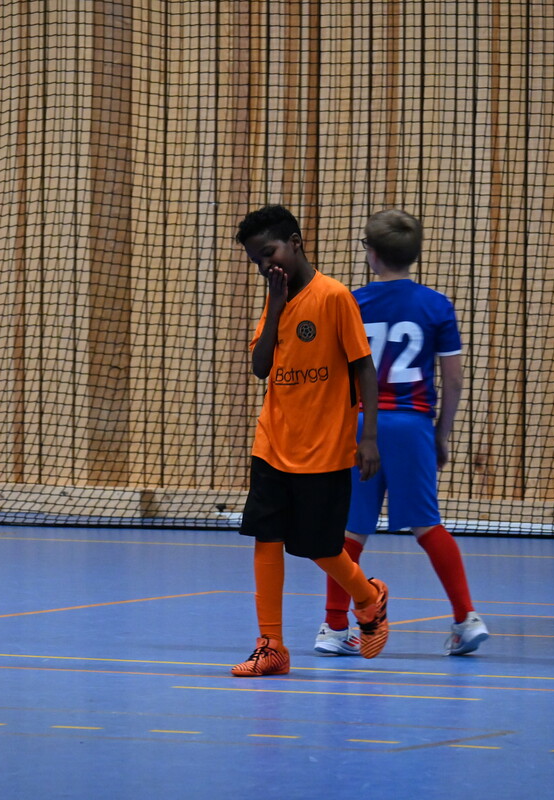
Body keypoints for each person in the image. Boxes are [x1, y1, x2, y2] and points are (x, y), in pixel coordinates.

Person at [313, 209, 489, 657]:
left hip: (361, 426)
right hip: (412, 426)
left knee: (349, 532)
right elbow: (453, 379)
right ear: (415, 254)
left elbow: (333, 374)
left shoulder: (350, 303)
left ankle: (335, 629)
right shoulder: (436, 305)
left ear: (371, 255)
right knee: (428, 525)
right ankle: (466, 619)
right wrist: (441, 434)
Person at [231, 204, 390, 677]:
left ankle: (368, 597)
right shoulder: (275, 299)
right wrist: (276, 306)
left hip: (325, 447)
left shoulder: (334, 296)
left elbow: (364, 367)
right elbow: (261, 367)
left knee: (320, 547)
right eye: (257, 260)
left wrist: (369, 437)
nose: (266, 265)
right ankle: (271, 645)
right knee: (267, 536)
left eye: (270, 252)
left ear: (296, 243)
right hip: (272, 442)